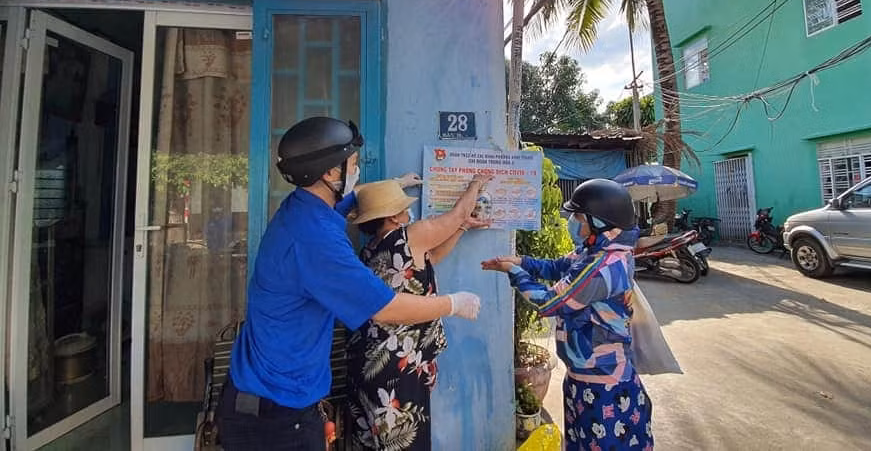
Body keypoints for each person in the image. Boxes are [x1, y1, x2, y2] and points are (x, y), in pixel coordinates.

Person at [217, 117, 482, 451]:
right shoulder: (316, 239)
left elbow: (351, 197)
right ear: (330, 173)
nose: (356, 171)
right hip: (276, 414)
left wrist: (393, 184)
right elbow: (386, 307)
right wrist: (453, 304)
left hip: (270, 396)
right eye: (353, 164)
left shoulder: (306, 209)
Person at [483, 179, 654, 450]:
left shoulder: (603, 268)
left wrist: (514, 272)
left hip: (604, 385)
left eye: (579, 218)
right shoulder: (596, 252)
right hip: (584, 377)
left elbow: (549, 303)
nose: (573, 223)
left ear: (601, 224)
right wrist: (522, 262)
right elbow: (557, 267)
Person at [346, 175, 492, 450]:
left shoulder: (370, 249)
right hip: (396, 367)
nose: (408, 211)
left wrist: (461, 228)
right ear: (393, 216)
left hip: (367, 361)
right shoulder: (409, 235)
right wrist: (475, 185)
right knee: (402, 441)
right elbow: (457, 214)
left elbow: (430, 258)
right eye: (403, 207)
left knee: (374, 442)